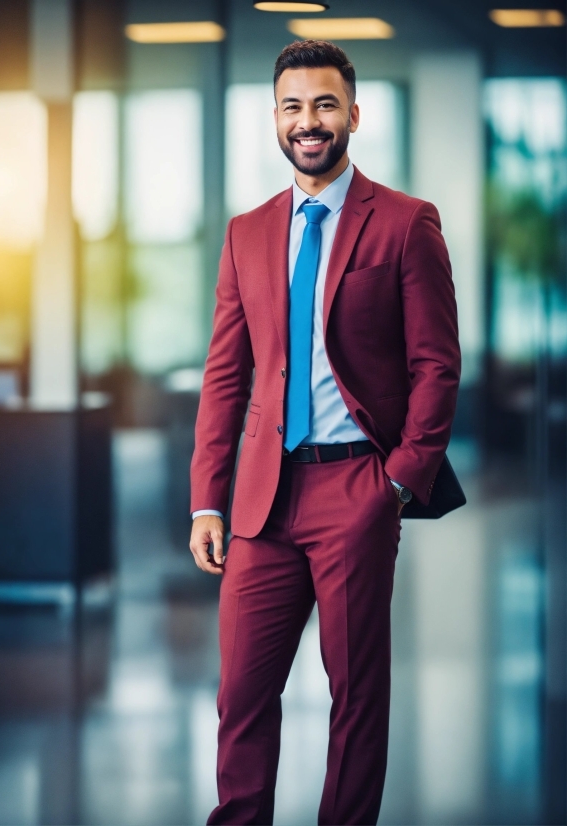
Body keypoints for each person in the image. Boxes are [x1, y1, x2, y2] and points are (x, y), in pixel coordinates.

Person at [189, 39, 461, 826]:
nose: (308, 122)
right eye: (293, 107)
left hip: (357, 487)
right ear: (276, 119)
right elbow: (225, 376)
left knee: (355, 695)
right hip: (261, 500)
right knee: (242, 694)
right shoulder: (247, 233)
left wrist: (399, 481)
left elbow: (437, 366)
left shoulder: (407, 224)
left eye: (324, 105)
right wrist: (207, 501)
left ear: (353, 114)